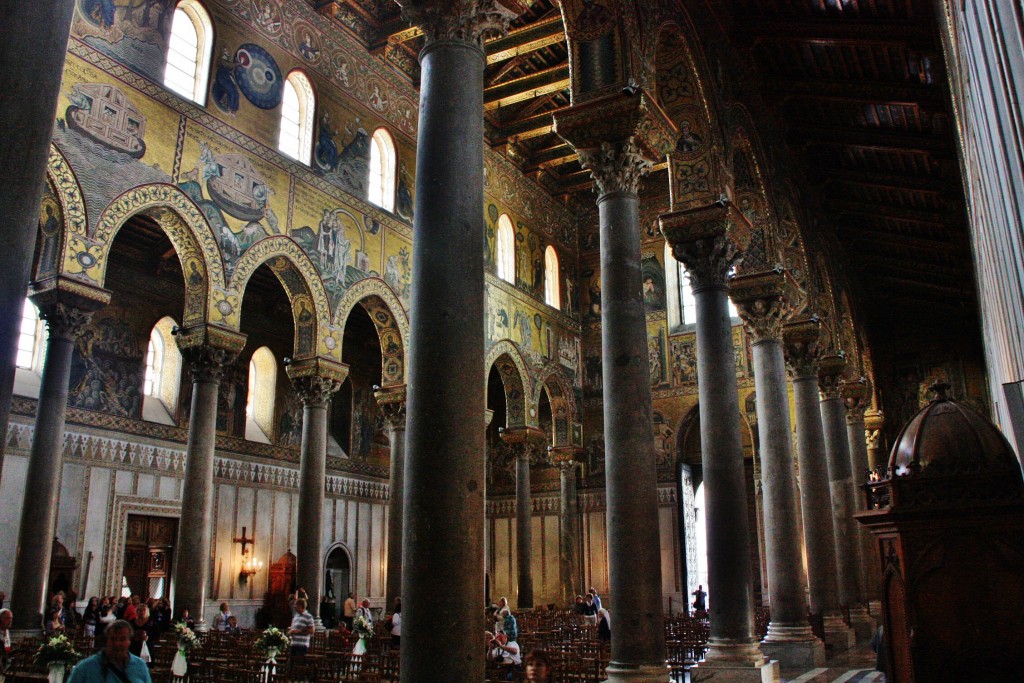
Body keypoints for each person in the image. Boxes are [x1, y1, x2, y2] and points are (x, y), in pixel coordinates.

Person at [67, 619, 152, 683]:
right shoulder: (85, 668)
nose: (117, 643)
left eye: (122, 639)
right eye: (113, 639)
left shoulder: (140, 666)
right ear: (106, 640)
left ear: (129, 641)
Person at [0, 609, 13, 675]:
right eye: (7, 618)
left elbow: (7, 649)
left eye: (11, 618)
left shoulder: (7, 632)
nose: (10, 620)